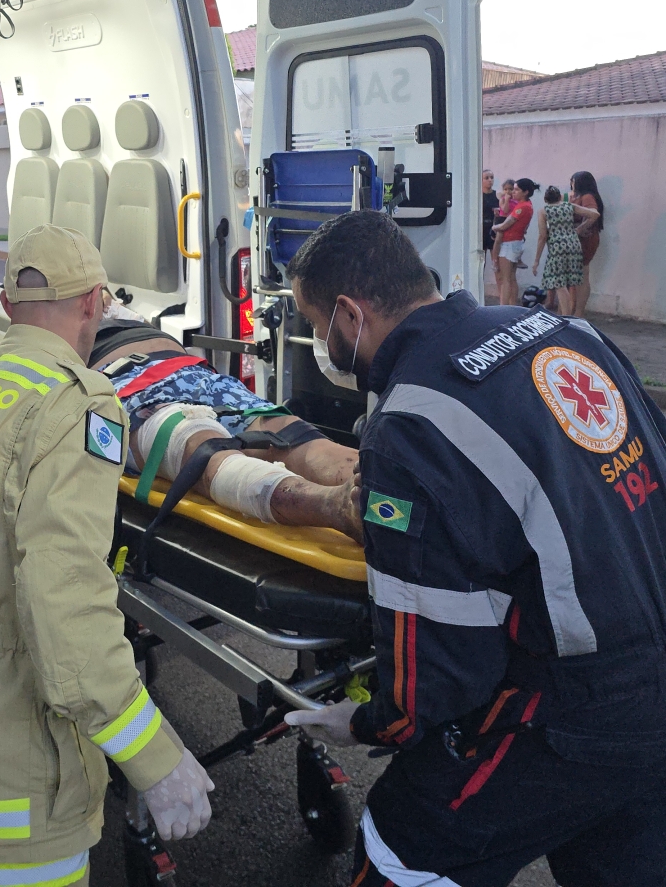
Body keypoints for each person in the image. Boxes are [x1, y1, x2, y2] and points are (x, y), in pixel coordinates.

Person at [283, 210, 666, 887]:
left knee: (403, 843)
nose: (323, 342)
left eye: (317, 326)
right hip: (649, 665)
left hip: (578, 706)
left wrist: (370, 722)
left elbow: (439, 665)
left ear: (349, 314)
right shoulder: (567, 332)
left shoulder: (410, 424)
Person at [0, 225, 214, 887]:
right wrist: (155, 758)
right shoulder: (75, 406)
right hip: (12, 781)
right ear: (94, 303)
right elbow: (65, 603)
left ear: (6, 306)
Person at [89, 294, 359, 537]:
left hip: (189, 373)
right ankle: (335, 504)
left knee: (292, 438)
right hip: (130, 388)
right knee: (202, 446)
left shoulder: (92, 300)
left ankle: (377, 487)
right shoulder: (65, 318)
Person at [532, 186, 599, 316]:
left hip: (557, 247)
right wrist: (579, 228)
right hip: (574, 244)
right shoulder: (569, 206)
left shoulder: (544, 211)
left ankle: (566, 317)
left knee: (559, 284)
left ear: (546, 199)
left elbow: (543, 236)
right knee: (569, 281)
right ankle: (564, 314)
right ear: (559, 197)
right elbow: (594, 215)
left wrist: (536, 260)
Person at [491, 178, 538, 306]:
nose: (513, 192)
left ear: (525, 192)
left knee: (505, 279)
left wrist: (494, 227)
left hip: (509, 243)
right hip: (516, 242)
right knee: (511, 277)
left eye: (517, 190)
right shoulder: (526, 204)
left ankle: (504, 307)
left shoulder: (522, 207)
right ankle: (512, 305)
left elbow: (504, 225)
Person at [571, 171, 605, 319]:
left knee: (583, 276)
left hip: (585, 240)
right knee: (579, 276)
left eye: (573, 181)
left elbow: (592, 214)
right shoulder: (581, 197)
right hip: (583, 239)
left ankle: (579, 313)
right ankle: (575, 310)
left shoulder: (587, 197)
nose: (571, 184)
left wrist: (579, 229)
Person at [481, 169, 499, 252]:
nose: (490, 180)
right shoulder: (478, 196)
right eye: (486, 178)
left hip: (493, 227)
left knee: (495, 256)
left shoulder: (498, 195)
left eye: (492, 177)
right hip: (481, 228)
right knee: (481, 256)